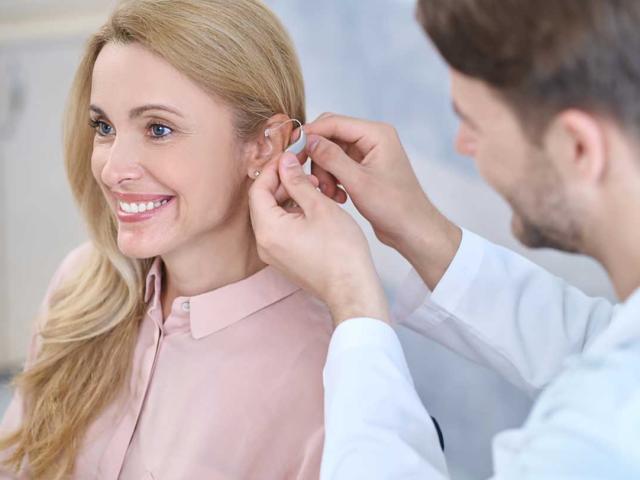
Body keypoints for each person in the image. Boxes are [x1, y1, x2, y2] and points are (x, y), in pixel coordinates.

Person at [248, 0, 640, 478]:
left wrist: (354, 301)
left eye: (472, 122)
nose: (462, 146)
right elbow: (592, 341)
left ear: (577, 147)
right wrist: (422, 231)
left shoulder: (594, 444)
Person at [0, 1, 332, 478]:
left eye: (158, 129)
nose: (113, 169)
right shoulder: (80, 288)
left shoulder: (320, 374)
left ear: (264, 144)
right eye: (104, 127)